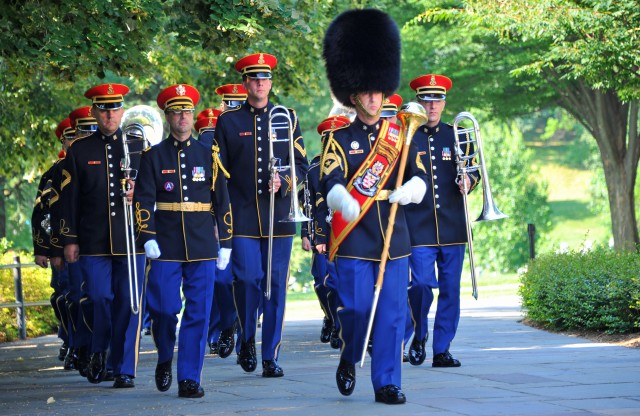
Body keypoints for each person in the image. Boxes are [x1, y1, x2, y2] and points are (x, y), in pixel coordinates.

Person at [321, 9, 428, 404]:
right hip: (354, 237)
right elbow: (329, 178)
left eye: (376, 90)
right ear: (353, 94)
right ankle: (350, 355)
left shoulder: (399, 133)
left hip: (393, 236)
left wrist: (413, 189)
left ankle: (387, 382)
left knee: (392, 315)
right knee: (357, 311)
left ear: (384, 91)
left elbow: (419, 174)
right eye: (364, 91)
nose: (371, 96)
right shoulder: (338, 136)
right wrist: (340, 198)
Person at [134, 84, 232, 398]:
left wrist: (226, 241)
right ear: (168, 115)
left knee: (199, 312)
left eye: (187, 111)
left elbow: (222, 199)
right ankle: (165, 355)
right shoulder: (153, 156)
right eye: (177, 111)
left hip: (202, 242)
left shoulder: (208, 154)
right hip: (166, 244)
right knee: (163, 308)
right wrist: (147, 237)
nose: (183, 117)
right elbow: (143, 199)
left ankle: (189, 377)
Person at [215, 52, 308, 378]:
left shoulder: (288, 117)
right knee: (249, 280)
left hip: (279, 217)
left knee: (276, 287)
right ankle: (247, 338)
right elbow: (219, 172)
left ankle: (270, 355)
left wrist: (283, 180)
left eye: (264, 78)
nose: (259, 83)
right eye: (254, 78)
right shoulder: (228, 121)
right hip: (241, 217)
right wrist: (220, 217)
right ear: (245, 83)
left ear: (270, 82)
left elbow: (302, 163)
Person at [59, 83, 145, 388]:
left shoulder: (137, 145)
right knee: (98, 297)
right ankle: (99, 350)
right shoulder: (80, 150)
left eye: (115, 108)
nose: (110, 114)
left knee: (128, 303)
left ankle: (123, 368)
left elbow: (152, 192)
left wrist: (140, 196)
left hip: (131, 241)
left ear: (122, 111)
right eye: (104, 108)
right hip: (94, 240)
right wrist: (69, 239)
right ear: (95, 112)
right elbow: (70, 199)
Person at [404, 74, 480, 368]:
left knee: (451, 288)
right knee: (421, 285)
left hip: (453, 226)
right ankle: (419, 335)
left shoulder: (458, 134)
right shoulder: (408, 136)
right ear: (419, 102)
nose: (432, 105)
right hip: (418, 226)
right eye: (426, 99)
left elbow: (475, 170)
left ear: (444, 102)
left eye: (437, 100)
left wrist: (468, 181)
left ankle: (442, 348)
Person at [49, 107, 99, 377]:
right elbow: (50, 213)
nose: (84, 137)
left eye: (92, 130)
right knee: (76, 298)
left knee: (100, 299)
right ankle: (79, 346)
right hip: (73, 242)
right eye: (81, 132)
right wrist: (52, 246)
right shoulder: (59, 170)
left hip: (101, 242)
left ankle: (99, 351)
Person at [301, 115, 350, 345]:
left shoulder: (353, 163)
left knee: (343, 281)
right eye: (327, 138)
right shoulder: (313, 169)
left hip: (348, 231)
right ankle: (331, 317)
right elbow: (309, 206)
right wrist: (308, 234)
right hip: (323, 232)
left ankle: (341, 328)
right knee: (323, 282)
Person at [32, 118, 74, 365]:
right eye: (70, 137)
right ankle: (71, 342)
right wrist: (44, 247)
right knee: (64, 296)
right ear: (63, 141)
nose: (74, 141)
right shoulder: (53, 173)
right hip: (61, 243)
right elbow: (42, 213)